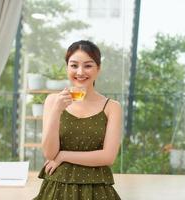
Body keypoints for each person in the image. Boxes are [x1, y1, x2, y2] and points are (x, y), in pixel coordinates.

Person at [33, 40, 122, 200]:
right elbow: (49, 153)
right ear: (67, 68)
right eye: (74, 65)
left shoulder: (112, 107)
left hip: (97, 191)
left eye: (88, 66)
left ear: (98, 69)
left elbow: (108, 157)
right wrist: (57, 110)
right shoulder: (53, 101)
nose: (80, 72)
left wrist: (64, 156)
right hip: (57, 189)